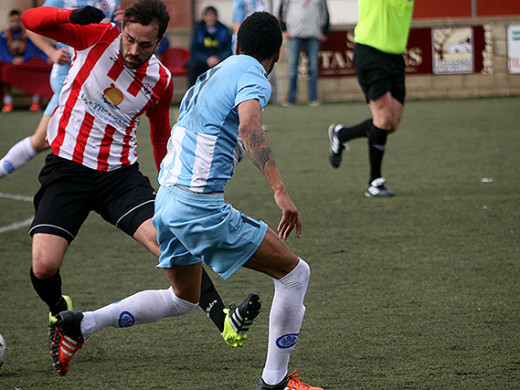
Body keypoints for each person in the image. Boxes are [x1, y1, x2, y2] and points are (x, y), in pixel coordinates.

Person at [52, 11, 323, 390]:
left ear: (237, 44)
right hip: (198, 206)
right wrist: (280, 191)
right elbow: (249, 127)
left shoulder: (213, 74)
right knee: (295, 274)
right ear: (277, 54)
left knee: (184, 297)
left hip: (165, 200)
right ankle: (275, 382)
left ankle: (83, 323)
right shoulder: (252, 74)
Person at [20, 0, 260, 376]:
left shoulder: (161, 80)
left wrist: (172, 179)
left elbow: (161, 132)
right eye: (129, 40)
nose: (133, 51)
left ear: (159, 41)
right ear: (122, 29)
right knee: (43, 266)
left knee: (171, 241)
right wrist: (69, 16)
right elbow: (31, 20)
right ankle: (60, 316)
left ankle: (223, 317)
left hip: (120, 177)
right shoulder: (94, 37)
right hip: (67, 169)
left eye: (144, 45)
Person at [0, 0, 121, 179]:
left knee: (46, 141)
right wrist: (51, 52)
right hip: (69, 78)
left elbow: (115, 31)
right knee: (48, 141)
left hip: (97, 78)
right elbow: (32, 25)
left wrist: (123, 22)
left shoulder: (112, 1)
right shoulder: (62, 0)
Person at [327, 0, 415, 197]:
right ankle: (374, 182)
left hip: (395, 58)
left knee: (391, 124)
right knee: (383, 118)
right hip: (370, 53)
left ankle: (342, 135)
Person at [278, 0, 329, 106]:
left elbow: (325, 12)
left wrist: (324, 31)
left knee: (313, 68)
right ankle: (291, 98)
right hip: (294, 34)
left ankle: (313, 98)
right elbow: (282, 10)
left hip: (314, 34)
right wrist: (284, 29)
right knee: (292, 68)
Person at [0, 9, 45, 112]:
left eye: (16, 20)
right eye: (12, 21)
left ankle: (36, 101)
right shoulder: (4, 35)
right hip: (11, 62)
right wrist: (11, 60)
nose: (14, 23)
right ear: (9, 21)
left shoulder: (26, 33)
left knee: (36, 71)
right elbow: (2, 52)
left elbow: (31, 50)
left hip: (26, 62)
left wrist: (23, 59)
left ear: (20, 21)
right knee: (4, 72)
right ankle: (7, 102)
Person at [184, 6, 232, 87]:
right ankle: (192, 91)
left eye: (213, 15)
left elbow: (228, 49)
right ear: (204, 17)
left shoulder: (224, 30)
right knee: (193, 67)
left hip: (219, 59)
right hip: (202, 60)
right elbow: (194, 50)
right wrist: (207, 59)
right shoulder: (198, 30)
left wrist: (218, 58)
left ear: (216, 17)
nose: (211, 18)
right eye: (208, 15)